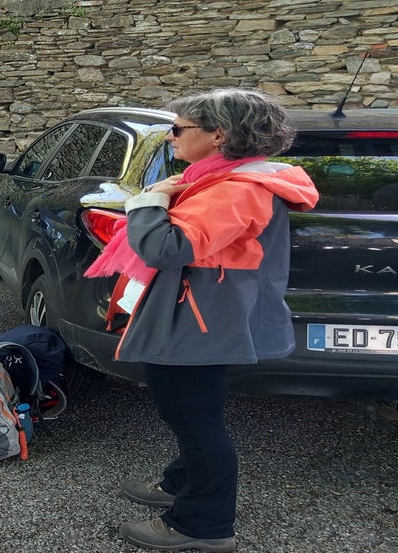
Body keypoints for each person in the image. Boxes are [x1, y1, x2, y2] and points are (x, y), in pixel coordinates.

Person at [84, 89, 319, 552]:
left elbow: (165, 248)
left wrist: (148, 201)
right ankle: (180, 484)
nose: (169, 136)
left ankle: (202, 526)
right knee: (194, 413)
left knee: (194, 420)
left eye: (178, 128)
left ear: (220, 135)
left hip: (199, 319)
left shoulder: (237, 189)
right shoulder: (220, 181)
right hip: (203, 312)